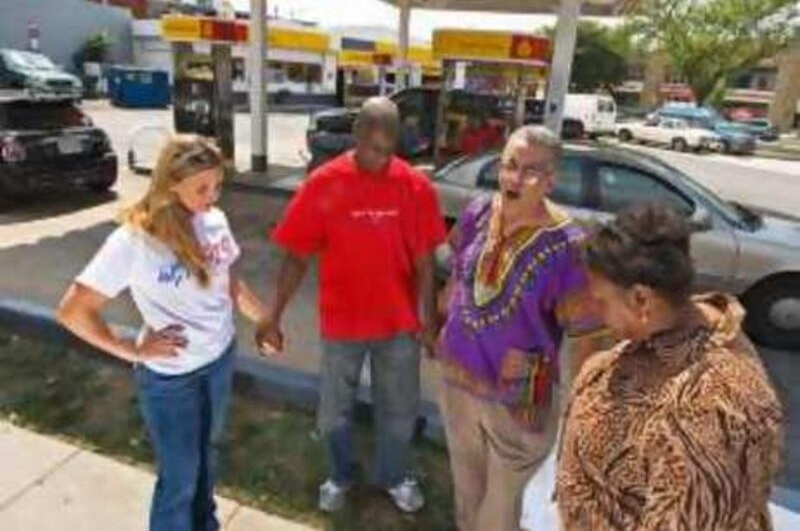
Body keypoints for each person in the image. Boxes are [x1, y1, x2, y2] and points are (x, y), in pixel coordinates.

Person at [57, 135, 272, 531]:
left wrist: (262, 319)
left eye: (218, 186)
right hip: (172, 379)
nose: (213, 197)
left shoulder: (215, 220)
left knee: (207, 457)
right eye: (202, 188)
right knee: (180, 478)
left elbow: (229, 279)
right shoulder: (135, 240)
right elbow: (73, 310)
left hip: (219, 360)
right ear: (171, 183)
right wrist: (131, 351)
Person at [257, 96, 447, 514]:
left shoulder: (415, 186)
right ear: (357, 135)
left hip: (398, 326)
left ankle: (394, 476)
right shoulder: (324, 182)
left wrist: (429, 321)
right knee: (333, 411)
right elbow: (296, 255)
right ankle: (340, 475)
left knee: (399, 409)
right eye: (373, 147)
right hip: (342, 324)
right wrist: (274, 313)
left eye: (389, 149)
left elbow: (424, 263)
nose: (381, 158)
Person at [556, 203, 784, 530]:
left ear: (641, 299)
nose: (594, 311)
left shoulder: (713, 410)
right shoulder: (656, 335)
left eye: (602, 300)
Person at [437, 125, 605, 531]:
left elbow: (587, 337)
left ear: (551, 180)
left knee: (499, 507)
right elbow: (458, 272)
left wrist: (580, 416)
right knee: (467, 488)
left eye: (530, 171)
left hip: (517, 399)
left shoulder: (568, 246)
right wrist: (442, 318)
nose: (515, 177)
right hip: (457, 377)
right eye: (510, 165)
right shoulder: (478, 211)